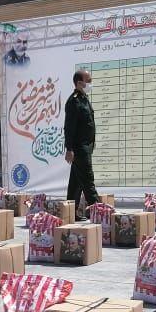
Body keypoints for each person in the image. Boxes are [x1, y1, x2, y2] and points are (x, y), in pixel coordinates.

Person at [64, 70, 100, 219]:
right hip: (80, 148)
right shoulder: (74, 102)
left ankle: (70, 212)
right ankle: (100, 214)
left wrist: (92, 142)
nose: (90, 83)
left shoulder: (84, 99)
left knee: (76, 181)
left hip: (87, 146)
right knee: (88, 180)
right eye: (88, 81)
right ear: (79, 83)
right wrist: (69, 149)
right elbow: (69, 127)